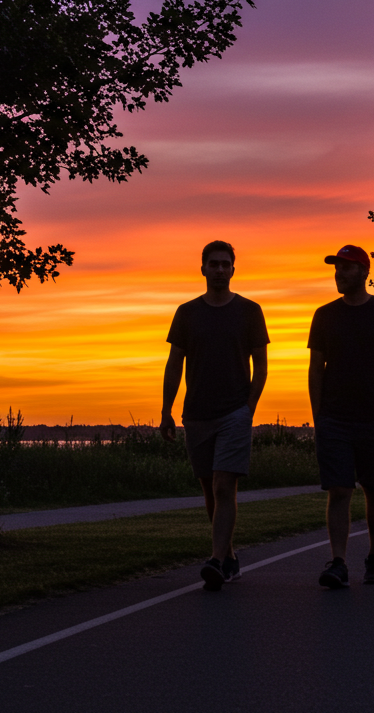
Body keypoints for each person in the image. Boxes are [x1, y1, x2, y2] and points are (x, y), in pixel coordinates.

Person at [160, 241, 269, 592]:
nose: (220, 270)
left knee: (225, 485)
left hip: (234, 412)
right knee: (209, 487)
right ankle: (229, 555)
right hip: (196, 414)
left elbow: (261, 367)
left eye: (226, 264)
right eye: (214, 264)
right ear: (203, 269)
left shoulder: (250, 311)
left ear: (234, 269)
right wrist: (166, 411)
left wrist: (248, 409)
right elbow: (175, 363)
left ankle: (216, 561)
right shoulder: (187, 313)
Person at [309, 244, 374, 589]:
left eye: (347, 268)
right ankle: (338, 561)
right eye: (337, 267)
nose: (340, 273)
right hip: (334, 418)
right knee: (338, 489)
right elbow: (315, 369)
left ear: (364, 272)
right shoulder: (324, 315)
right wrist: (318, 416)